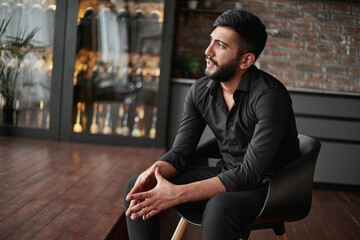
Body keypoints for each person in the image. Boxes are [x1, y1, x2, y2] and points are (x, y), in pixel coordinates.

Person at [124, 9, 301, 240]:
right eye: (211, 41)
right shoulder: (200, 91)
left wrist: (177, 194)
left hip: (271, 189)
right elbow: (180, 153)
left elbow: (249, 174)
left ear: (246, 60)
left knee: (219, 206)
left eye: (221, 45)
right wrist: (154, 171)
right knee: (137, 186)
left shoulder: (270, 96)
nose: (207, 51)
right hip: (228, 175)